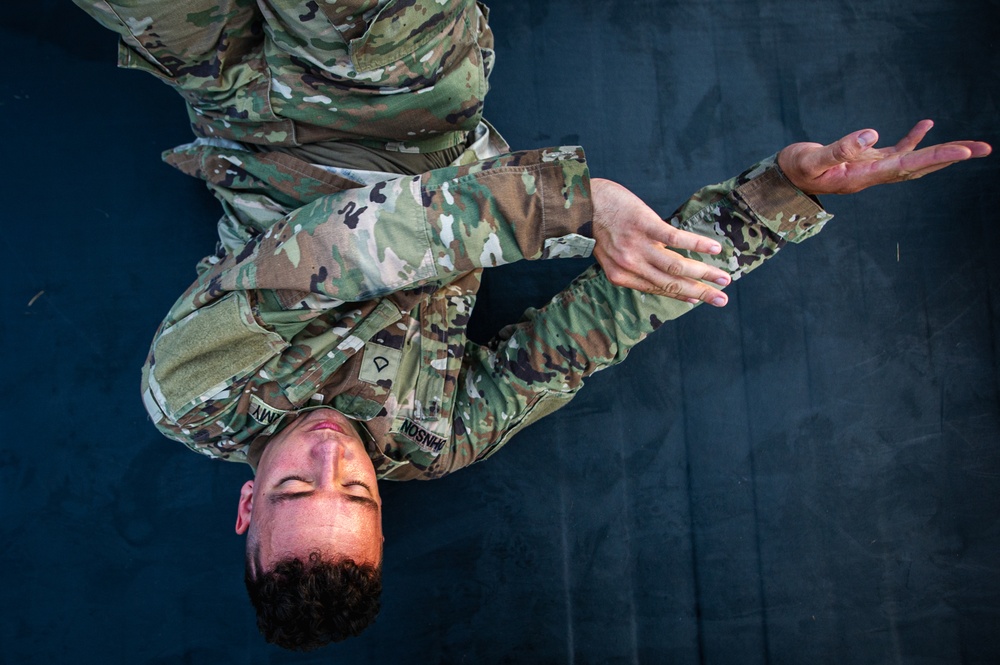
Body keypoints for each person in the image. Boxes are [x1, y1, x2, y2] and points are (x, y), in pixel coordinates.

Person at [73, 0, 990, 651]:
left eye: (289, 493)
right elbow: (607, 320)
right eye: (354, 494)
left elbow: (321, 252)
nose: (328, 457)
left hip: (232, 101)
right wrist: (783, 194)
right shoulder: (437, 437)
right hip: (400, 102)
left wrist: (572, 205)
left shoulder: (190, 398)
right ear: (385, 515)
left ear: (244, 505)